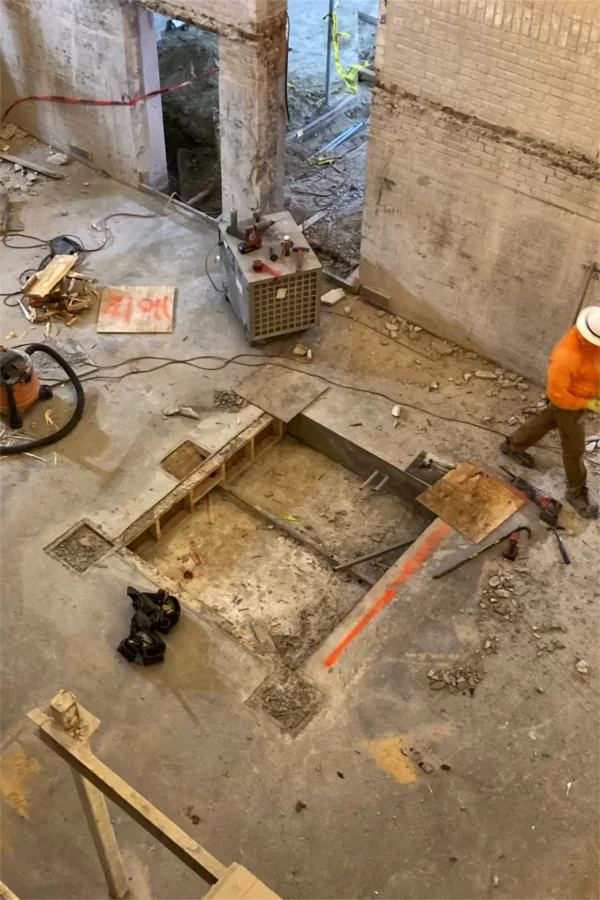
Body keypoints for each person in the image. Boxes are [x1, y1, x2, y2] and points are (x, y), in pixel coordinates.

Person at [501, 306, 600, 519]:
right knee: (574, 448)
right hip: (569, 404)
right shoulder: (566, 358)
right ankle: (576, 492)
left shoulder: (591, 337)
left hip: (578, 397)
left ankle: (513, 446)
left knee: (545, 421)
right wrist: (588, 403)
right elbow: (558, 397)